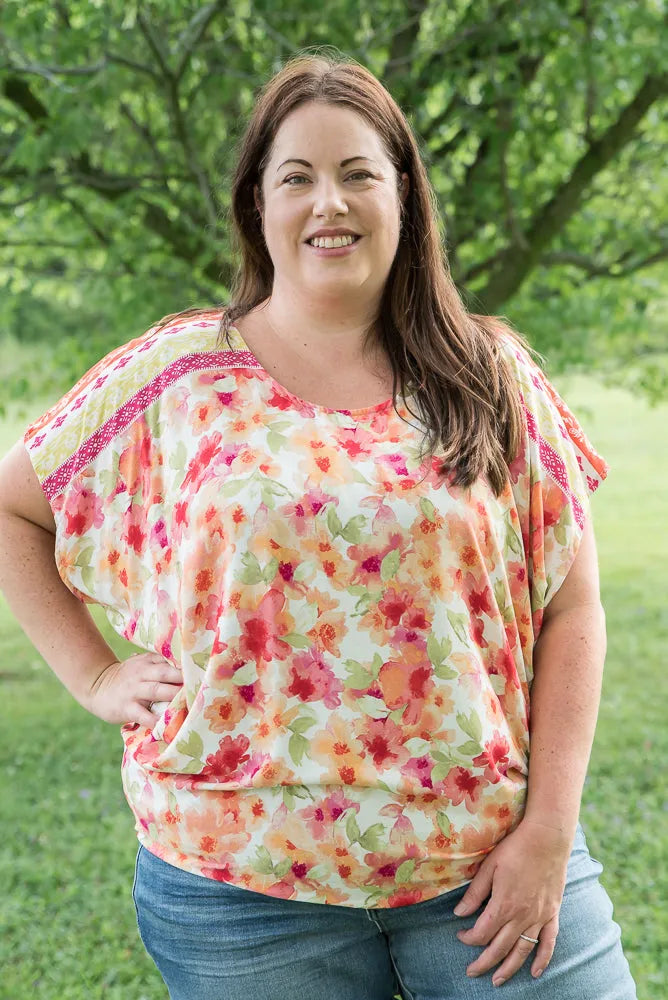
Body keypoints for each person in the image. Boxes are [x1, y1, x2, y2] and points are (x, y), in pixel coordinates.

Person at [0, 51, 637, 1000]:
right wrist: (94, 674)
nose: (328, 203)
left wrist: (548, 829)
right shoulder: (178, 374)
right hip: (238, 890)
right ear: (258, 204)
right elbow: (15, 507)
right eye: (296, 177)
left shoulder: (492, 375)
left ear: (407, 197)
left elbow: (570, 608)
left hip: (488, 864)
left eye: (358, 174)